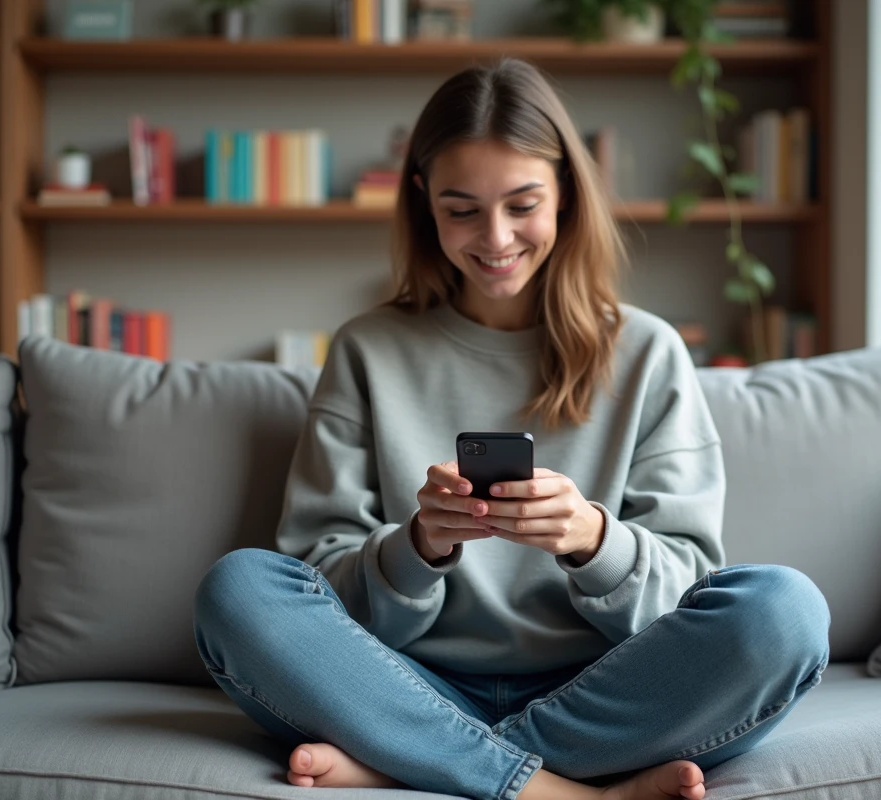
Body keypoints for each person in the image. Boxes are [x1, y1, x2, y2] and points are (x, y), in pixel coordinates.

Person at [193, 57, 831, 800]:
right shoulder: (369, 350)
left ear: (565, 194)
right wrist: (418, 546)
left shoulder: (650, 352)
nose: (494, 238)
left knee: (785, 612)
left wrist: (594, 539)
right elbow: (314, 579)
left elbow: (689, 584)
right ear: (423, 200)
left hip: (605, 692)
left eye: (522, 204)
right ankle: (554, 790)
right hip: (404, 681)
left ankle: (419, 763)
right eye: (462, 209)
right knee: (237, 590)